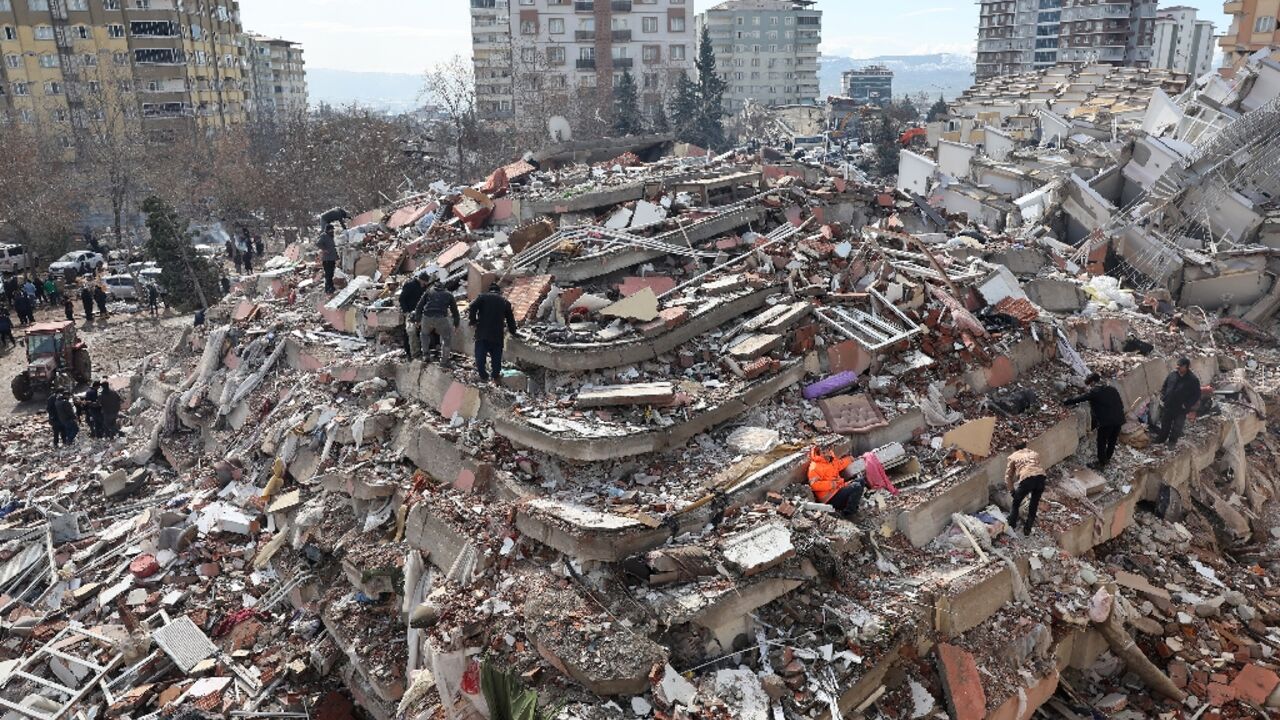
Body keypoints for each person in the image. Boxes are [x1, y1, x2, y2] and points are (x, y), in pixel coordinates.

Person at [1064, 372, 1126, 470]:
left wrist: (1066, 401)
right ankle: (1107, 459)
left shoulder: (1095, 392)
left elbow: (1081, 398)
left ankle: (1101, 463)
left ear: (1092, 382)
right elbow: (1121, 404)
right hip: (1119, 420)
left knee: (1101, 441)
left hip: (1106, 422)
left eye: (1089, 384)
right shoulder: (1112, 389)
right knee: (1112, 441)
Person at [467, 282, 516, 384]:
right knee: (496, 358)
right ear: (499, 292)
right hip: (497, 335)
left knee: (480, 356)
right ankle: (495, 376)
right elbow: (510, 320)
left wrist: (473, 321)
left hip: (482, 333)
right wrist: (513, 331)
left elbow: (472, 306)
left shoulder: (483, 297)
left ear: (489, 290)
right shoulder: (505, 302)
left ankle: (483, 376)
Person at [1153, 357, 1201, 445]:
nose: (1178, 367)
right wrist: (1164, 397)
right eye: (1177, 365)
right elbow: (1165, 386)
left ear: (1186, 367)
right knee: (1165, 424)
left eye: (1180, 366)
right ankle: (1161, 439)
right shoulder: (1172, 375)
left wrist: (1187, 404)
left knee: (1177, 426)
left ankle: (1172, 441)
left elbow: (1196, 395)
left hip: (1181, 408)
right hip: (1168, 405)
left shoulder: (1193, 380)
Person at [807, 446, 864, 518]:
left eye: (828, 449)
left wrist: (850, 459)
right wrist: (831, 484)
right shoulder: (815, 467)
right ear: (819, 453)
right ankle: (848, 514)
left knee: (861, 480)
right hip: (829, 497)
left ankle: (849, 506)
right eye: (824, 451)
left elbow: (839, 464)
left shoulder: (830, 460)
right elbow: (814, 485)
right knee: (856, 487)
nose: (827, 452)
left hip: (838, 489)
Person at [416, 279, 460, 368]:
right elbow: (455, 311)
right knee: (446, 338)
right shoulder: (449, 294)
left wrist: (418, 320)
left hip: (427, 317)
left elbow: (419, 306)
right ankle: (444, 361)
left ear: (434, 286)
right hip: (441, 318)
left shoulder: (428, 292)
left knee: (424, 335)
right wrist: (456, 324)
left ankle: (426, 356)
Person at [1005, 443, 1046, 535]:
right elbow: (1037, 467)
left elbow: (1008, 476)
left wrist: (1012, 491)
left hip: (1027, 479)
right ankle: (1028, 528)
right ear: (1026, 446)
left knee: (1016, 503)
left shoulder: (1013, 457)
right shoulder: (1034, 453)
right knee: (1034, 504)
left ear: (1014, 448)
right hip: (1041, 478)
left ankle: (1012, 524)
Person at [398, 273, 428, 358]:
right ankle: (409, 353)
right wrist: (406, 311)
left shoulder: (423, 287)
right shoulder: (409, 285)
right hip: (410, 312)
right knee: (410, 333)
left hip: (419, 313)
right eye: (424, 282)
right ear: (420, 280)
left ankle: (417, 352)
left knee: (418, 332)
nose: (425, 284)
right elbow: (402, 299)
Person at [318, 225, 338, 293]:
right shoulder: (324, 235)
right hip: (327, 259)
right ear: (327, 230)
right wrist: (324, 249)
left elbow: (332, 247)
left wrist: (336, 256)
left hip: (331, 258)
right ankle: (328, 288)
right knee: (328, 274)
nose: (332, 231)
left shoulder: (330, 236)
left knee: (331, 274)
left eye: (333, 230)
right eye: (331, 230)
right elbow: (318, 243)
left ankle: (331, 287)